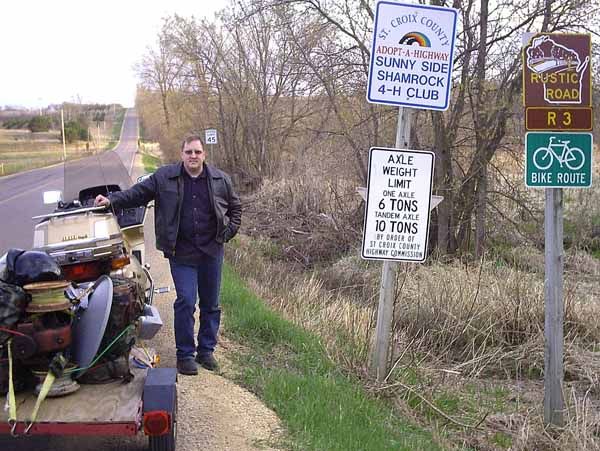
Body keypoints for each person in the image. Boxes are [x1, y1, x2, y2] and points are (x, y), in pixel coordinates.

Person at [94, 135, 242, 375]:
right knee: (185, 301)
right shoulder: (164, 177)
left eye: (197, 152)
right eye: (188, 152)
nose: (193, 156)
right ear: (181, 154)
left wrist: (228, 232)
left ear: (204, 154)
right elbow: (137, 194)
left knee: (211, 304)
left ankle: (206, 352)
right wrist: (111, 200)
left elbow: (236, 208)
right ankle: (185, 355)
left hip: (211, 252)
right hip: (181, 254)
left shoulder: (220, 179)